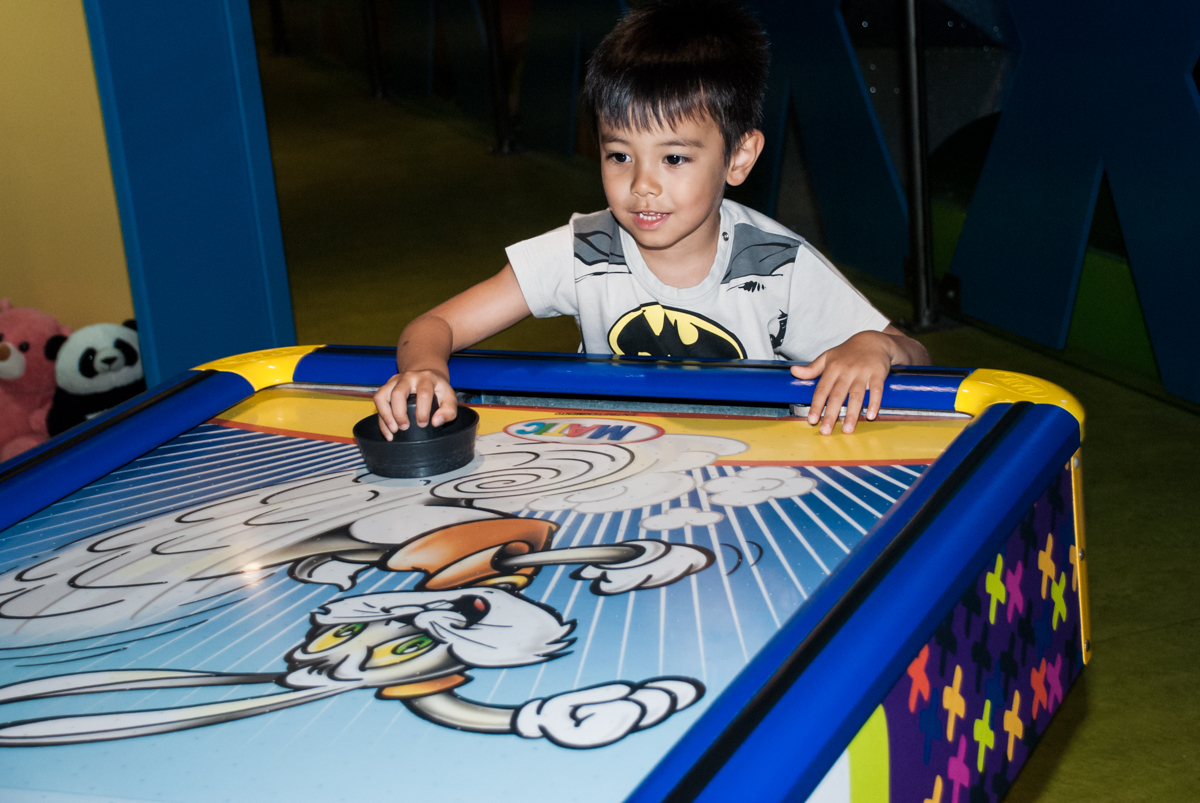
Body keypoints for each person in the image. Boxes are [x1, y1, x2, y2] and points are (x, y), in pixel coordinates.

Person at [374, 0, 929, 438]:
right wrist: (424, 368)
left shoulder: (776, 264)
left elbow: (915, 357)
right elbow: (434, 326)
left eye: (675, 158)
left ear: (739, 157)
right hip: (614, 462)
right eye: (619, 155)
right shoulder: (584, 250)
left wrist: (873, 347)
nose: (642, 184)